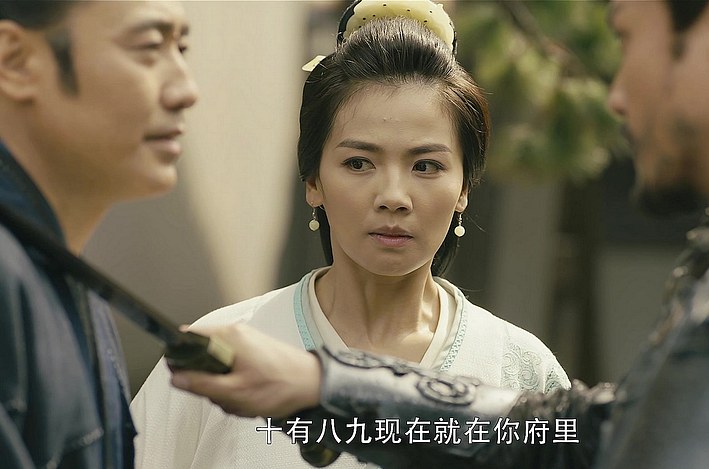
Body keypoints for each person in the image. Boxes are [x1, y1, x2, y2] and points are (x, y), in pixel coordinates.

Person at [170, 0, 709, 467]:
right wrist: (329, 385)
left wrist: (330, 386)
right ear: (312, 177)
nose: (614, 96)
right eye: (359, 162)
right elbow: (587, 437)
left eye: (628, 37)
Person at [132, 3, 569, 468]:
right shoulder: (223, 354)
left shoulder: (518, 371)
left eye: (426, 166)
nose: (393, 197)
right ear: (313, 181)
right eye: (359, 163)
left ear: (464, 188)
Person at [0, 1, 198, 468]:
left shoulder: (58, 266)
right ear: (16, 61)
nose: (186, 90)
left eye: (182, 48)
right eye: (149, 46)